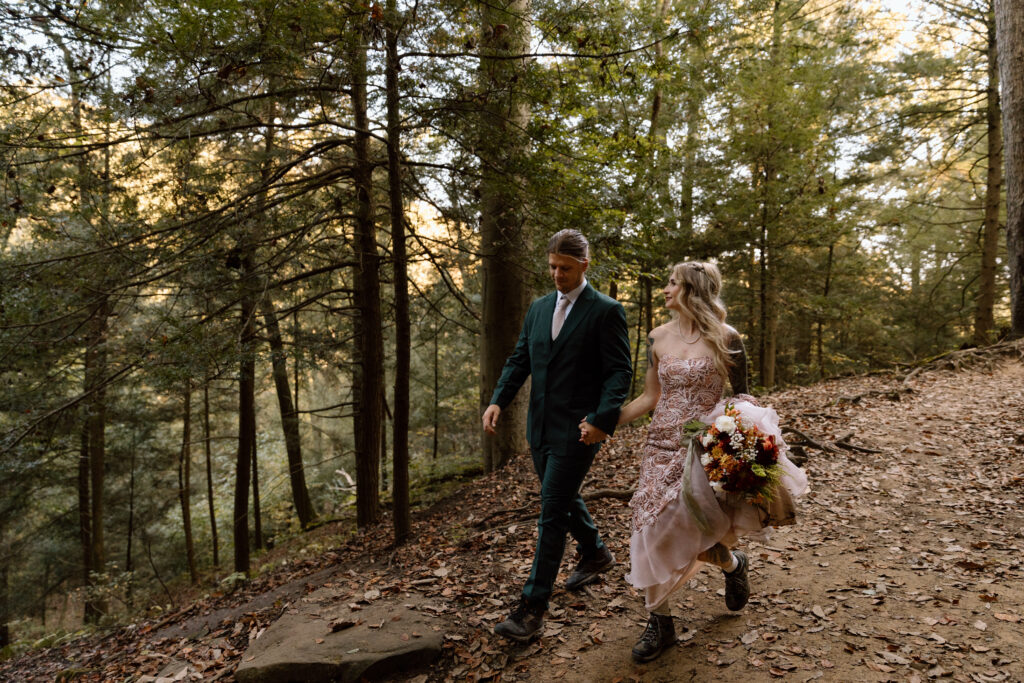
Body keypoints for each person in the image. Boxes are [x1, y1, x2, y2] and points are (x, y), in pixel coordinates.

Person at [586, 261, 807, 662]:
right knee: (649, 529)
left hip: (703, 448)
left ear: (691, 290)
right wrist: (604, 422)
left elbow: (742, 399)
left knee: (700, 532)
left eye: (672, 283)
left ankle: (732, 564)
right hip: (659, 447)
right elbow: (650, 397)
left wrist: (736, 442)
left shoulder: (728, 338)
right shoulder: (657, 337)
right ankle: (660, 622)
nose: (665, 289)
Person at [482, 229, 633, 643]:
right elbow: (519, 359)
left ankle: (532, 608)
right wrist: (499, 400)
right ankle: (596, 551)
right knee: (561, 497)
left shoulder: (606, 311)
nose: (557, 275)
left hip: (580, 431)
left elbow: (620, 372)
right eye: (552, 267)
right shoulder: (538, 309)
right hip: (540, 428)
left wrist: (603, 419)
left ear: (585, 265)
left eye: (565, 268)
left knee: (550, 513)